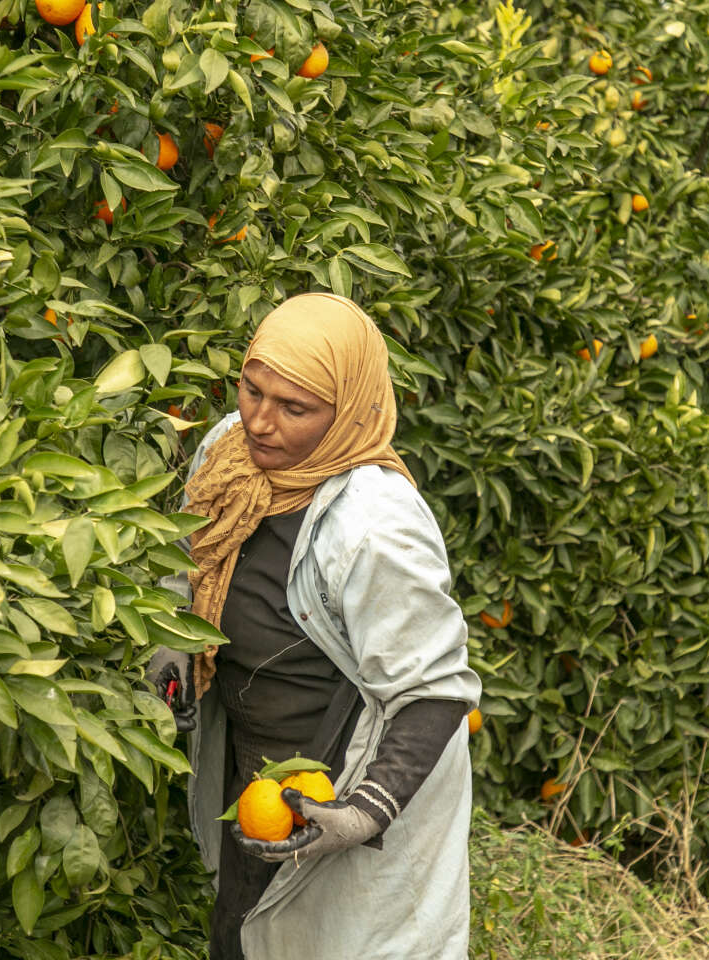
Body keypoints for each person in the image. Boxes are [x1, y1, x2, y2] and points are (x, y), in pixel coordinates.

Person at [146, 292, 481, 959]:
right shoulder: (228, 457)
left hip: (350, 781)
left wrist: (361, 814)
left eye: (294, 408)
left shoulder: (375, 525)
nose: (260, 422)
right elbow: (191, 567)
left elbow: (438, 690)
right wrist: (173, 655)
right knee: (243, 934)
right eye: (251, 389)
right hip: (260, 781)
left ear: (348, 411)